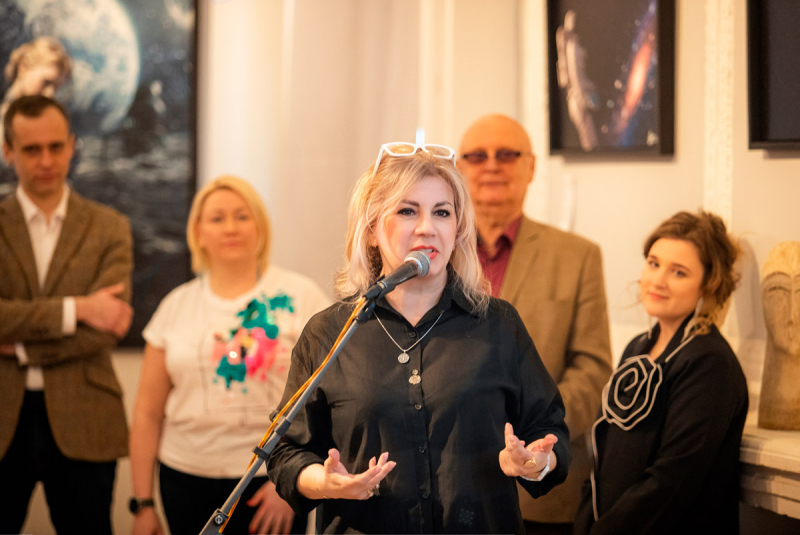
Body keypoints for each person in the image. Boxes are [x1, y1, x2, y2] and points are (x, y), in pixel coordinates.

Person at [267, 142, 571, 534]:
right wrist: (323, 482)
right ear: (372, 230)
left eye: (442, 212)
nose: (428, 227)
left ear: (457, 229)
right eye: (408, 211)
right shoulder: (330, 332)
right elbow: (285, 450)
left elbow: (550, 432)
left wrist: (536, 462)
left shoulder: (498, 324)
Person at [130, 175, 330, 535]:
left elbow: (331, 400)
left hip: (273, 481)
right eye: (217, 218)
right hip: (185, 480)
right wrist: (142, 504)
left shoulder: (303, 297)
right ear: (199, 232)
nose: (230, 227)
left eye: (242, 216)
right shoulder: (175, 306)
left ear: (260, 226)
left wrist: (292, 481)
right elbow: (147, 413)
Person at [458, 114, 611, 533]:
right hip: (449, 485)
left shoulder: (578, 257)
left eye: (507, 155)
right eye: (477, 156)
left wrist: (534, 434)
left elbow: (593, 368)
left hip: (541, 491)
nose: (492, 165)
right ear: (458, 169)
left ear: (531, 167)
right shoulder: (434, 255)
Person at [0, 94, 132, 534]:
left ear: (72, 145)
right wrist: (79, 309)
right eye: (31, 149)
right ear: (8, 151)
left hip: (86, 418)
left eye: (56, 147)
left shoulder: (109, 227)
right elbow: (92, 319)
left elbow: (108, 327)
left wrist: (20, 348)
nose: (46, 161)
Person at [574, 211, 749, 535]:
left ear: (709, 284)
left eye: (678, 272)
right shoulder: (637, 347)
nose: (657, 280)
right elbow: (602, 453)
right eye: (653, 264)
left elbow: (672, 481)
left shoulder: (709, 363)